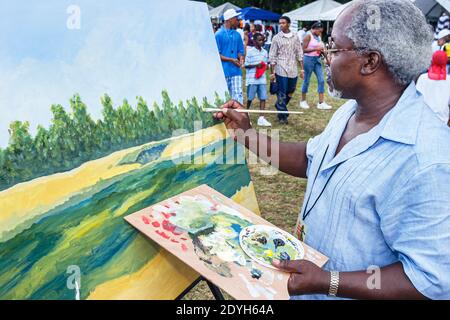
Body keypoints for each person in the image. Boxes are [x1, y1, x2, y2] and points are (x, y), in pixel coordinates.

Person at [214, 0, 450, 300]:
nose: (326, 55)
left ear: (370, 61)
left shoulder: (427, 160)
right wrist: (247, 135)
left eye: (335, 48)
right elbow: (310, 159)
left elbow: (430, 280)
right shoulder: (350, 112)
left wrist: (328, 281)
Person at [269, 16, 304, 124]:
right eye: (280, 23)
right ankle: (282, 116)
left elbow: (299, 52)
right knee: (282, 92)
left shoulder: (295, 36)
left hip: (293, 68)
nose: (281, 25)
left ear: (288, 24)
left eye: (283, 23)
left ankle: (279, 105)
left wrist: (302, 70)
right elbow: (272, 55)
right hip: (281, 67)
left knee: (291, 91)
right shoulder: (276, 38)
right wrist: (272, 72)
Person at [215, 9, 245, 104]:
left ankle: (238, 117)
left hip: (236, 71)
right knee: (224, 98)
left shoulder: (237, 34)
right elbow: (216, 55)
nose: (238, 20)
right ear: (230, 19)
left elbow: (240, 51)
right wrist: (231, 59)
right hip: (223, 71)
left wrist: (241, 58)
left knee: (238, 96)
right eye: (236, 18)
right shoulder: (218, 35)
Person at [300, 21, 332, 110]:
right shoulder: (307, 35)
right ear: (315, 29)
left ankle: (321, 103)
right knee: (306, 80)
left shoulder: (318, 36)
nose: (320, 33)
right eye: (319, 31)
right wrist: (316, 48)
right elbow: (303, 50)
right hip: (308, 60)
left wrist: (327, 59)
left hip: (317, 59)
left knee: (321, 80)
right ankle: (303, 101)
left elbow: (322, 48)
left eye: (321, 31)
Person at [245, 33, 271, 127]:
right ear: (255, 41)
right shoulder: (250, 51)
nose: (262, 42)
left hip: (262, 79)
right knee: (250, 98)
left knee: (263, 97)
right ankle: (246, 114)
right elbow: (246, 65)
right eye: (260, 40)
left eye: (263, 40)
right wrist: (256, 65)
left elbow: (266, 63)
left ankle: (261, 118)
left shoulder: (264, 52)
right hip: (252, 79)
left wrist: (266, 66)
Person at [416, 50, 450, 124]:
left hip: (423, 117)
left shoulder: (423, 78)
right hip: (442, 119)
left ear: (432, 60)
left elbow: (416, 97)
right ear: (445, 61)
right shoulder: (449, 80)